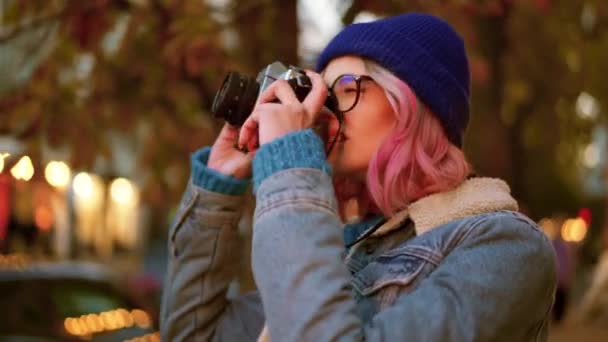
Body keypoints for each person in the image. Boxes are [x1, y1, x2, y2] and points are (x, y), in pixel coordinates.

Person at [160, 13, 556, 341]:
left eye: (345, 89)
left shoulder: (506, 246)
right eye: (320, 95)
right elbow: (195, 334)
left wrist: (291, 162)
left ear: (413, 103)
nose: (324, 113)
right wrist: (219, 189)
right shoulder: (343, 253)